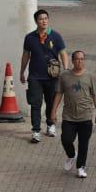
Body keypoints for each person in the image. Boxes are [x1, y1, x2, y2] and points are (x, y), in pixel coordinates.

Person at [51, 50, 96, 179]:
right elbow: (59, 94)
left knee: (84, 143)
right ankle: (72, 154)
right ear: (72, 61)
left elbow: (95, 94)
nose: (80, 61)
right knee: (66, 139)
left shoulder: (90, 76)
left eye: (82, 59)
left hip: (85, 116)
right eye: (77, 59)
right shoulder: (64, 76)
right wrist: (53, 111)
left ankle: (81, 167)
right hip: (69, 116)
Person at [19, 10, 66, 144]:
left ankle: (50, 125)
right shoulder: (29, 38)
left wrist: (66, 70)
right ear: (36, 21)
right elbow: (25, 56)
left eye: (46, 18)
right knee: (35, 104)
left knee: (51, 102)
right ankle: (35, 131)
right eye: (41, 19)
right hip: (35, 77)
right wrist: (22, 72)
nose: (44, 21)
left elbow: (63, 53)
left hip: (52, 77)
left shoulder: (56, 36)